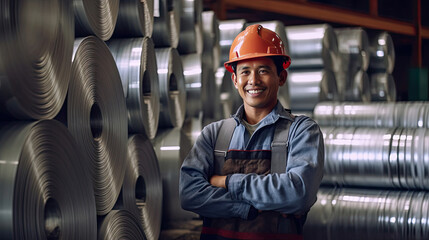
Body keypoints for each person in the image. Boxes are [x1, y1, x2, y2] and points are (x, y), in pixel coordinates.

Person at [179, 24, 324, 240]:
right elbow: (189, 194)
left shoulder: (301, 131)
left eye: (263, 70)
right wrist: (246, 208)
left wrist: (227, 182)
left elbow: (298, 193)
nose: (253, 80)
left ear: (281, 77)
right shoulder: (214, 135)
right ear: (235, 79)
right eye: (245, 71)